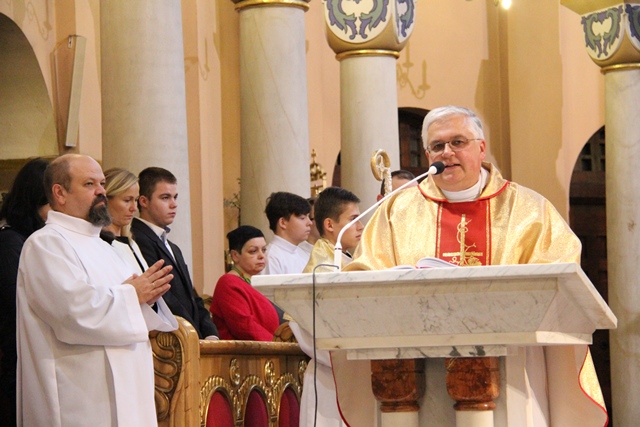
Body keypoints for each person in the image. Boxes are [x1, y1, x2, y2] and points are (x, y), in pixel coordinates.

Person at [340, 106, 608, 426]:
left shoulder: (529, 210)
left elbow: (559, 280)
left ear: (481, 148)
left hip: (514, 368)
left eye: (458, 142)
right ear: (428, 155)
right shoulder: (397, 210)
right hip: (413, 370)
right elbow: (364, 277)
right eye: (437, 146)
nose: (447, 153)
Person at [16, 154, 176, 426]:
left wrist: (147, 299)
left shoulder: (105, 247)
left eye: (102, 183)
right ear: (60, 193)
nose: (101, 191)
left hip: (128, 392)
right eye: (89, 184)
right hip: (80, 399)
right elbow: (72, 313)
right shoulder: (45, 244)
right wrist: (133, 295)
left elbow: (131, 309)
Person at [131, 166, 219, 339]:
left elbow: (192, 297)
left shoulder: (173, 247)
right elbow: (164, 297)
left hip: (192, 337)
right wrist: (192, 334)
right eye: (165, 198)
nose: (174, 204)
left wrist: (210, 334)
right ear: (144, 201)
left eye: (175, 197)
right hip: (174, 337)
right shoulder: (138, 239)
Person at [0, 157, 49, 426]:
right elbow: (19, 304)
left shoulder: (32, 239)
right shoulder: (10, 242)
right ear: (34, 201)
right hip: (20, 358)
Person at [101, 168, 178, 329]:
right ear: (106, 200)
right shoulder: (101, 243)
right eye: (127, 200)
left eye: (135, 200)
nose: (134, 208)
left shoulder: (132, 243)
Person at [210, 225, 285, 341]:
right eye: (253, 251)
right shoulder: (228, 283)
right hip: (247, 350)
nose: (261, 256)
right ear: (235, 255)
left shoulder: (254, 282)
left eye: (264, 250)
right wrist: (278, 344)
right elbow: (245, 327)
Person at [303, 187, 363, 273]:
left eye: (359, 219)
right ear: (329, 225)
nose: (361, 227)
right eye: (353, 219)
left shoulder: (343, 256)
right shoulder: (323, 270)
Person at [262, 191, 312, 275]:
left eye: (309, 217)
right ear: (283, 222)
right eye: (302, 218)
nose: (310, 223)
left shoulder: (303, 254)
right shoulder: (271, 258)